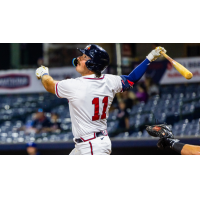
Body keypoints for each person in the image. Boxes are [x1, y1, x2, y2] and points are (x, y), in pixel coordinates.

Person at [35, 44, 166, 155]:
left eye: (84, 57)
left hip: (91, 146)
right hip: (89, 144)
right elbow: (132, 79)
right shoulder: (110, 80)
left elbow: (49, 85)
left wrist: (43, 73)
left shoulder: (75, 85)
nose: (79, 58)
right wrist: (149, 58)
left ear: (92, 63)